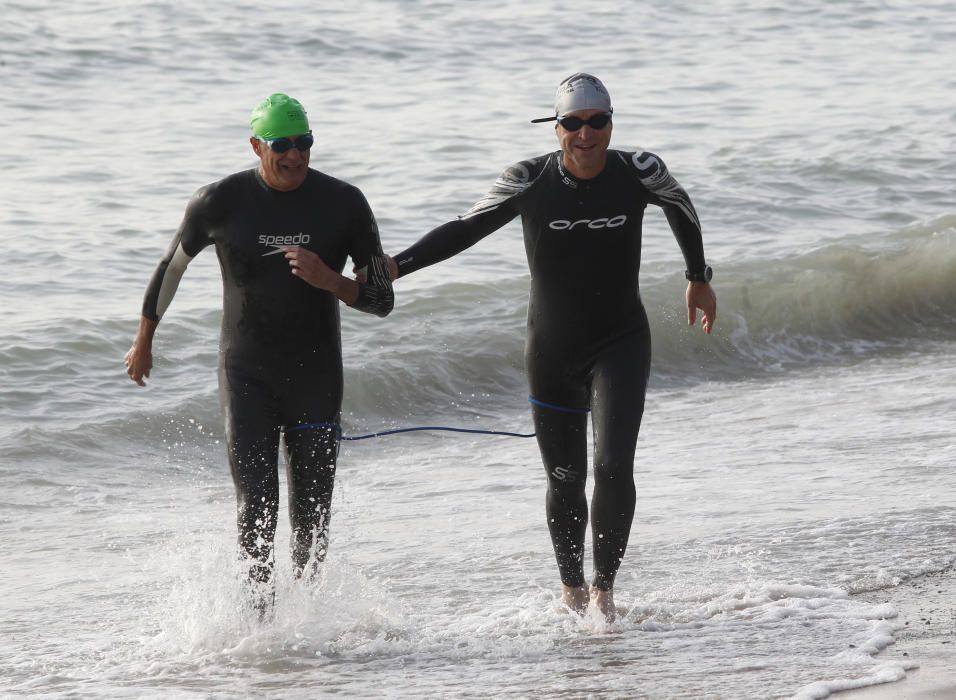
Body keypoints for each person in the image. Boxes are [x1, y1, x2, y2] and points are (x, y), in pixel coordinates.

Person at [387, 73, 716, 619]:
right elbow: (464, 229)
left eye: (598, 122)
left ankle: (605, 593)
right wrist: (396, 266)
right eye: (573, 123)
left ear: (611, 123)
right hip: (553, 352)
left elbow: (680, 206)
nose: (586, 135)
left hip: (621, 343)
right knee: (565, 481)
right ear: (556, 127)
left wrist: (698, 276)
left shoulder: (639, 172)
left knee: (613, 468)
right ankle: (571, 590)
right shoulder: (528, 180)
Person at [124, 93, 394, 609]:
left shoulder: (344, 203)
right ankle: (260, 628)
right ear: (255, 145)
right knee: (257, 507)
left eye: (305, 143)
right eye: (282, 145)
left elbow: (381, 299)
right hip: (246, 373)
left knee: (312, 514)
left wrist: (329, 279)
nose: (295, 155)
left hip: (316, 376)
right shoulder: (219, 202)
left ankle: (309, 624)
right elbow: (171, 267)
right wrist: (144, 340)